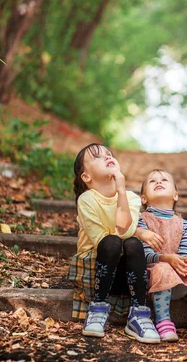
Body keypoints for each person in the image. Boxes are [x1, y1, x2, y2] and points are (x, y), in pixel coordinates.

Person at [67, 144, 160, 343]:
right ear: (86, 177)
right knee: (112, 242)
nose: (107, 157)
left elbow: (124, 231)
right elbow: (104, 239)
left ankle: (138, 315)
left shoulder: (132, 199)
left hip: (126, 275)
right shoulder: (87, 200)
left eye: (109, 154)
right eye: (98, 157)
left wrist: (121, 191)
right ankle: (98, 308)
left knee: (134, 244)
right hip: (95, 270)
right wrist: (139, 232)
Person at [136, 169, 187, 342]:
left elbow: (186, 252)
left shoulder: (183, 224)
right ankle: (163, 321)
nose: (158, 182)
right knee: (163, 268)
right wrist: (166, 259)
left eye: (164, 180)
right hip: (153, 282)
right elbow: (144, 254)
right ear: (143, 198)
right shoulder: (141, 220)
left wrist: (184, 262)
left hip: (178, 280)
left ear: (175, 195)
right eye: (152, 181)